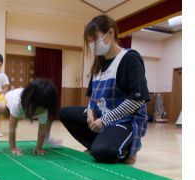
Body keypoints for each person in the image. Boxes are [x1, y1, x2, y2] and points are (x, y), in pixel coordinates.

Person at [59, 15, 150, 164]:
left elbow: (137, 100)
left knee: (104, 153)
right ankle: (96, 143)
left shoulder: (129, 58)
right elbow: (93, 98)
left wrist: (105, 120)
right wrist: (90, 112)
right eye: (90, 41)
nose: (92, 44)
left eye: (95, 39)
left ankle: (127, 150)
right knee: (65, 113)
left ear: (110, 33)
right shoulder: (98, 64)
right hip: (101, 117)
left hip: (124, 121)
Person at [0, 78, 62, 155]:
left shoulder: (45, 109)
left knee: (49, 116)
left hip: (25, 109)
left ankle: (46, 138)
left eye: (43, 109)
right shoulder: (17, 103)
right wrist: (13, 147)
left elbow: (42, 129)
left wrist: (39, 147)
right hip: (8, 103)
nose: (40, 111)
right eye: (38, 108)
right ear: (30, 102)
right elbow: (12, 127)